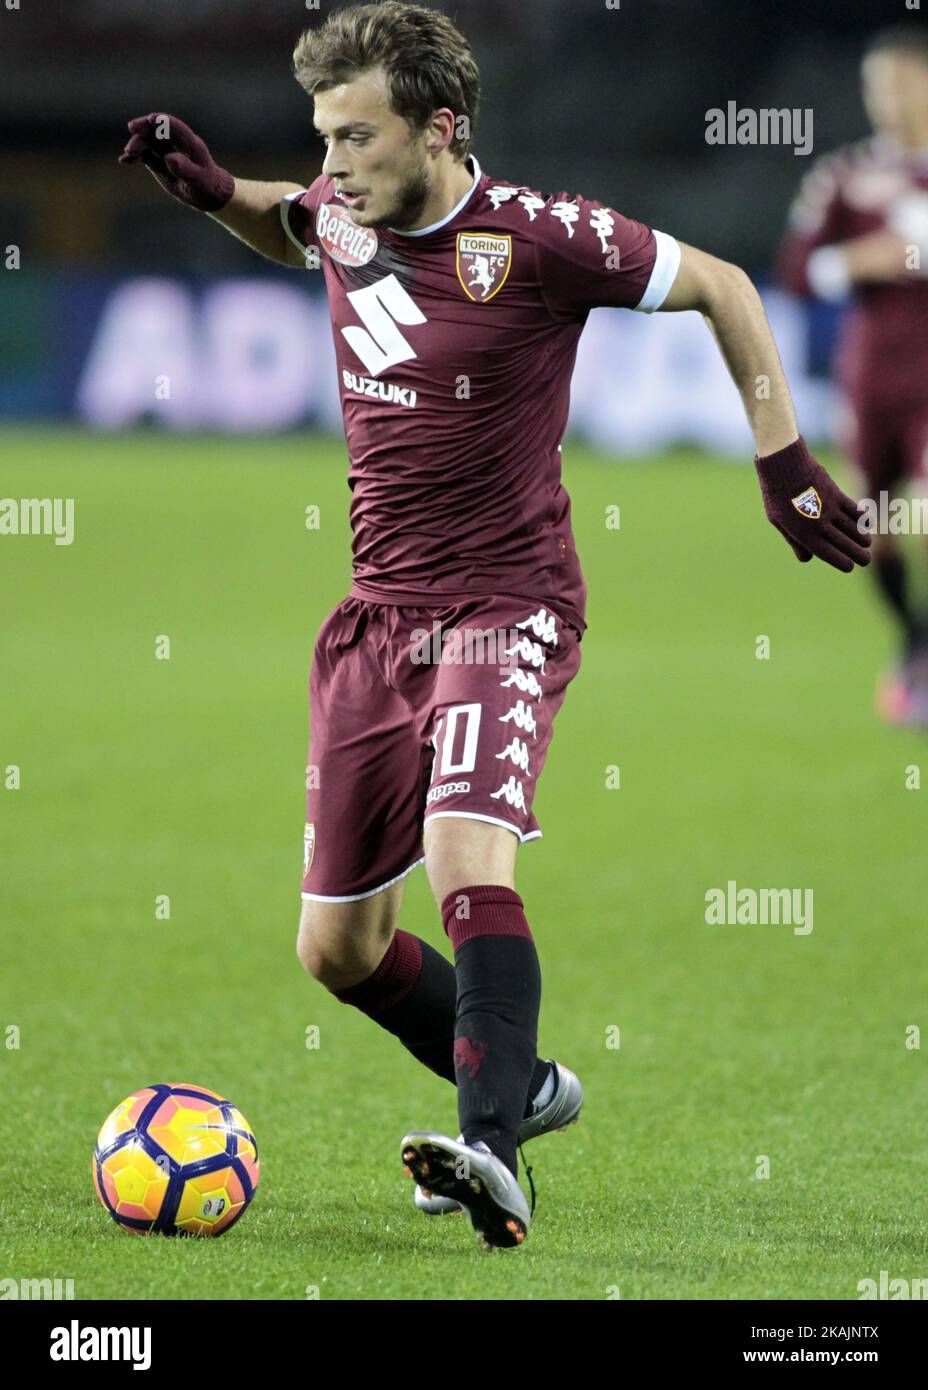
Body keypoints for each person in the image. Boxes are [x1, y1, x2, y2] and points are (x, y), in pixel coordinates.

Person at [121, 1, 870, 1250]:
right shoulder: (343, 213)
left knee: (467, 856)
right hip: (374, 618)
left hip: (503, 604)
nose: (336, 161)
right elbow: (293, 222)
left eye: (358, 135)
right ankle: (520, 1086)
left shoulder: (542, 237)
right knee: (339, 948)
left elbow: (728, 288)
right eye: (325, 135)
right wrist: (215, 195)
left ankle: (493, 1148)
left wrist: (781, 454)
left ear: (441, 127)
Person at [779, 25, 928, 726]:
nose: (886, 100)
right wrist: (858, 261)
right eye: (876, 86)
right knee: (874, 529)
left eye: (899, 83)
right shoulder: (844, 175)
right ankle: (915, 645)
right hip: (870, 380)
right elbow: (799, 271)